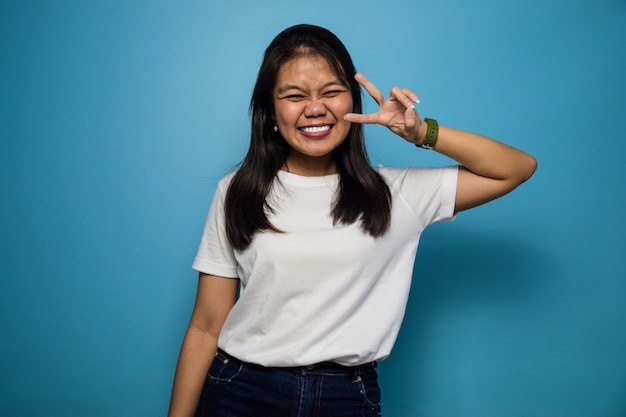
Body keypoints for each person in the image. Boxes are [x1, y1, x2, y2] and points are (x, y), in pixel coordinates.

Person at [168, 24, 537, 417]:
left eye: (331, 92)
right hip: (241, 390)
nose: (315, 108)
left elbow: (515, 168)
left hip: (345, 398)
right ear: (272, 111)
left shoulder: (397, 194)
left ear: (354, 101)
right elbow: (207, 325)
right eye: (294, 96)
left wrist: (419, 132)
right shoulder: (237, 190)